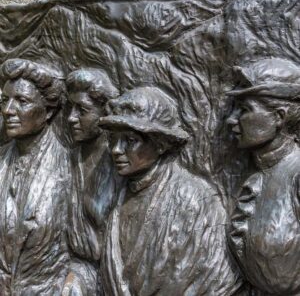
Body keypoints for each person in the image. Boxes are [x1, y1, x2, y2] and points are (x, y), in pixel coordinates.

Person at [99, 86, 243, 296]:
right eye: (113, 139)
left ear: (161, 145)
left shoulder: (196, 200)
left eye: (130, 141)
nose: (116, 150)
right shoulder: (114, 192)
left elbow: (218, 277)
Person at [227, 58, 300, 295]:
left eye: (244, 109)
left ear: (279, 116)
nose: (231, 119)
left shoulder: (296, 174)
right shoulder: (255, 180)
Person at [0, 58, 70, 295]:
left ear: (48, 111)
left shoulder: (69, 170)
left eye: (21, 101)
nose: (8, 110)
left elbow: (87, 255)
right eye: (5, 100)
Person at [63, 68, 122, 295]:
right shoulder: (72, 158)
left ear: (103, 113)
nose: (71, 117)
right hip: (76, 274)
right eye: (70, 107)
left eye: (83, 110)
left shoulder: (118, 164)